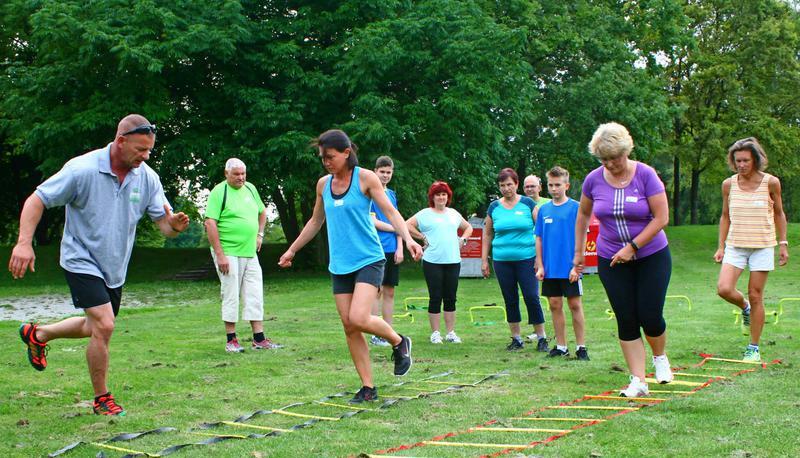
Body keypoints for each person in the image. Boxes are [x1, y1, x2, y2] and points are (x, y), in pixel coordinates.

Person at [10, 114, 190, 415]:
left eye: (149, 151)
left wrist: (174, 225)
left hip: (114, 268)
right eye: (140, 149)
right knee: (105, 324)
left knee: (93, 326)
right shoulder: (82, 169)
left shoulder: (147, 177)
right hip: (80, 258)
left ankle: (37, 334)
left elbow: (165, 227)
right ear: (120, 141)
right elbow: (37, 199)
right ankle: (102, 398)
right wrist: (24, 242)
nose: (145, 156)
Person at [278, 130, 422, 404]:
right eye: (322, 158)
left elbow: (390, 212)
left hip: (369, 258)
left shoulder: (366, 178)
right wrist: (292, 250)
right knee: (349, 326)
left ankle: (398, 341)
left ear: (346, 153)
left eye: (330, 157)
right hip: (340, 264)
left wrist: (407, 239)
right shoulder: (323, 185)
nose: (326, 162)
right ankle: (368, 387)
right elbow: (315, 222)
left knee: (358, 317)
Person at [573, 122, 673, 398]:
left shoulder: (646, 175)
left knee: (650, 315)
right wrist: (579, 253)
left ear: (626, 151)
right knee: (626, 318)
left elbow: (661, 218)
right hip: (611, 258)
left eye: (614, 158)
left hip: (652, 255)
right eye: (604, 159)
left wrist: (633, 246)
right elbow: (583, 215)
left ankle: (660, 357)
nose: (610, 164)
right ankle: (638, 380)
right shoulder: (593, 179)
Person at [714, 137, 789, 362]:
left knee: (756, 295)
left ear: (755, 160)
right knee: (724, 289)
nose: (741, 165)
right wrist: (721, 246)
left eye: (746, 160)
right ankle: (744, 308)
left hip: (763, 246)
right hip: (736, 245)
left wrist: (783, 243)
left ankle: (753, 348)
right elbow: (725, 216)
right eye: (737, 161)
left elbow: (779, 214)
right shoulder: (728, 184)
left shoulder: (771, 182)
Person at [205, 158, 282, 353]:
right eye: (236, 174)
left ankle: (259, 338)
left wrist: (259, 235)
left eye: (243, 174)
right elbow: (210, 223)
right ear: (226, 174)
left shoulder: (250, 188)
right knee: (230, 293)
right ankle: (231, 340)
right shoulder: (218, 192)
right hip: (228, 252)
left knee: (255, 292)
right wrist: (220, 255)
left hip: (249, 252)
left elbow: (262, 212)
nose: (241, 178)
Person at [482, 168, 548, 352]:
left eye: (509, 184)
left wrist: (539, 258)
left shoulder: (527, 204)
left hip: (527, 259)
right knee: (510, 298)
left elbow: (540, 231)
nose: (506, 188)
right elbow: (487, 234)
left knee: (531, 296)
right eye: (502, 185)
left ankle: (541, 337)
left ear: (516, 184)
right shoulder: (494, 207)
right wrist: (484, 261)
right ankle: (516, 338)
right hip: (502, 260)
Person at [406, 182, 472, 344]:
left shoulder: (454, 214)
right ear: (432, 197)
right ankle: (435, 333)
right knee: (435, 297)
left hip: (453, 260)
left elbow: (468, 227)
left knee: (450, 297)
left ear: (448, 197)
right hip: (432, 261)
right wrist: (422, 237)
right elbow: (407, 225)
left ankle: (450, 333)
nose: (441, 197)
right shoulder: (425, 214)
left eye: (444, 194)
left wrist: (463, 239)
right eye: (438, 194)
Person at [535, 167, 588, 360]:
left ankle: (581, 347)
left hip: (570, 267)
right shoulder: (543, 210)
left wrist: (576, 266)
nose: (554, 188)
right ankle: (561, 345)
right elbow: (539, 239)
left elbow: (582, 237)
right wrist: (540, 265)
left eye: (558, 185)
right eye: (550, 185)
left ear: (566, 185)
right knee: (555, 304)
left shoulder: (576, 207)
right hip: (550, 268)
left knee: (574, 305)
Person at [368, 156, 403, 347]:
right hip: (375, 247)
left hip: (392, 248)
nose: (385, 175)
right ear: (375, 172)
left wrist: (400, 246)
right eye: (382, 172)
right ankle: (376, 333)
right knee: (377, 291)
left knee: (389, 291)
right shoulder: (370, 194)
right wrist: (394, 228)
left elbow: (396, 218)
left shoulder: (392, 194)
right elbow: (372, 221)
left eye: (388, 172)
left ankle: (388, 332)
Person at [523, 174, 550, 342]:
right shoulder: (522, 204)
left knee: (544, 295)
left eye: (533, 186)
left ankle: (543, 331)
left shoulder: (547, 203)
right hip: (527, 254)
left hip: (546, 254)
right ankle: (537, 329)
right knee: (531, 293)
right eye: (527, 187)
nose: (530, 189)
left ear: (540, 187)